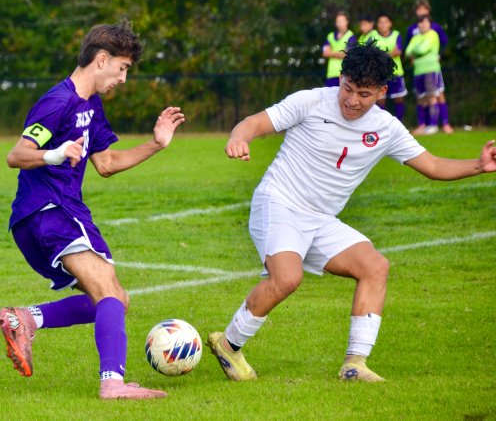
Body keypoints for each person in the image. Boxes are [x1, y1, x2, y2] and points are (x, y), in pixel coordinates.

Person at [208, 42, 496, 383]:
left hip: (320, 219)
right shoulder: (311, 101)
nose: (352, 100)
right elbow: (253, 123)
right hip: (279, 202)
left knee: (375, 267)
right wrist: (238, 138)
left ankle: (354, 365)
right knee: (287, 278)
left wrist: (479, 165)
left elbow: (432, 165)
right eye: (347, 88)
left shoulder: (386, 128)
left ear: (382, 92)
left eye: (364, 93)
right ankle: (229, 343)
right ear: (340, 78)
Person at [0, 21, 185, 400]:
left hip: (57, 213)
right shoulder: (58, 101)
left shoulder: (90, 105)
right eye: (123, 68)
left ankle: (26, 319)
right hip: (50, 210)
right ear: (102, 60)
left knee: (115, 300)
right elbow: (15, 155)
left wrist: (156, 144)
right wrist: (54, 153)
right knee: (107, 292)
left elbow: (107, 163)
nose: (124, 79)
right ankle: (113, 384)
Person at [405, 0, 453, 133]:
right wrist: (412, 57)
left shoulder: (435, 27)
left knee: (438, 94)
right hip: (418, 68)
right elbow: (408, 48)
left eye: (424, 9)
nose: (421, 11)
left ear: (428, 10)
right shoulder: (412, 29)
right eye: (419, 9)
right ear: (416, 11)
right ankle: (423, 125)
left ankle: (444, 123)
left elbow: (444, 43)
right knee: (421, 97)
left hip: (432, 67)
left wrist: (440, 56)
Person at [405, 16, 442, 135]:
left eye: (425, 22)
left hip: (430, 69)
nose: (422, 25)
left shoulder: (433, 34)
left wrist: (416, 50)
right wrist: (418, 50)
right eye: (420, 23)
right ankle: (423, 125)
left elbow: (422, 49)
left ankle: (433, 125)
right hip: (418, 71)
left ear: (430, 24)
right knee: (421, 99)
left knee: (431, 96)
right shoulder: (415, 37)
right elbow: (407, 52)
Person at [375, 13, 407, 122]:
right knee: (380, 100)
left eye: (385, 22)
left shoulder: (396, 35)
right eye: (380, 22)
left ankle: (400, 123)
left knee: (398, 99)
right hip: (380, 74)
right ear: (378, 24)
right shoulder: (373, 36)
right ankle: (382, 124)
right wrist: (389, 53)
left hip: (396, 73)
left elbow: (398, 51)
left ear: (390, 23)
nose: (383, 24)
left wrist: (381, 54)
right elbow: (373, 54)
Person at [321, 11, 356, 87]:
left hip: (345, 74)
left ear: (347, 22)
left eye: (342, 21)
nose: (340, 23)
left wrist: (331, 52)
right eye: (338, 21)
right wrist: (340, 53)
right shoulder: (330, 36)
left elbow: (347, 54)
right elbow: (325, 53)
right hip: (331, 73)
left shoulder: (351, 36)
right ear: (335, 23)